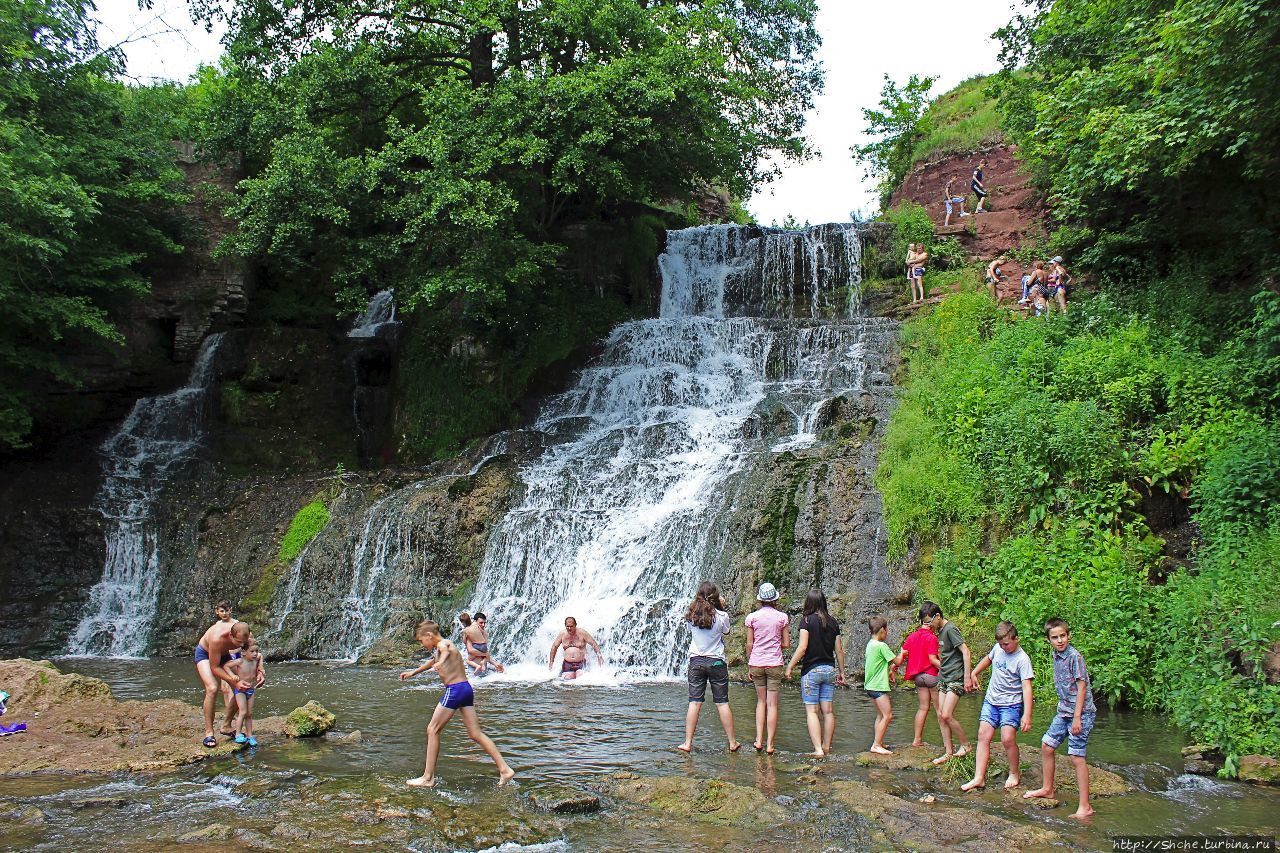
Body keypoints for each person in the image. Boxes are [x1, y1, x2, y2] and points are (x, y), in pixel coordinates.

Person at [400, 620, 516, 788]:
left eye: (420, 640)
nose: (421, 644)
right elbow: (432, 662)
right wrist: (413, 672)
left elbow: (444, 652)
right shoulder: (440, 648)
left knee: (432, 729)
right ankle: (505, 769)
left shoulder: (444, 644)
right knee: (475, 733)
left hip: (454, 690)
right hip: (466, 689)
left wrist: (441, 662)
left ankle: (428, 778)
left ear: (429, 635)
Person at [1025, 618, 1096, 818]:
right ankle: (1048, 788)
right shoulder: (1057, 655)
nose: (1060, 640)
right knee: (1047, 746)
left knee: (1076, 757)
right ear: (1048, 640)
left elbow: (1082, 688)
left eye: (1063, 636)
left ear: (1069, 635)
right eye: (1055, 637)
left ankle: (1085, 806)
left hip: (1080, 713)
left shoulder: (1075, 657)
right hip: (1063, 711)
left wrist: (1077, 718)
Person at [961, 621, 1034, 792]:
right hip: (992, 700)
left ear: (1016, 639)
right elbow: (988, 658)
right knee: (982, 735)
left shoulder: (1022, 659)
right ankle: (979, 777)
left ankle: (1014, 773)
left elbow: (1027, 687)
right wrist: (974, 672)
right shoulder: (998, 649)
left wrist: (1027, 715)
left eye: (1006, 644)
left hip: (1012, 704)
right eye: (1001, 644)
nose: (1003, 647)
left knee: (1007, 738)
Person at [676, 581, 740, 753]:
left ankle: (687, 743)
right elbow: (726, 632)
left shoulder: (690, 615)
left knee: (694, 703)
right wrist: (722, 607)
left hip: (696, 661)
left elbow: (697, 620)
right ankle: (732, 742)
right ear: (716, 597)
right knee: (722, 703)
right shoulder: (722, 616)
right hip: (716, 662)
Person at [784, 589, 846, 758]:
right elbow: (839, 650)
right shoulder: (833, 622)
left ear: (808, 603)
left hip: (811, 670)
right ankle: (826, 747)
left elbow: (803, 647)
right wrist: (841, 672)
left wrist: (790, 666)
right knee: (828, 711)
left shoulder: (806, 621)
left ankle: (818, 750)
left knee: (812, 711)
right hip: (829, 669)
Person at [194, 619, 263, 747]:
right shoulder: (217, 638)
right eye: (239, 642)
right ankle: (209, 733)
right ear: (230, 636)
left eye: (244, 642)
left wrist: (260, 671)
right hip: (205, 653)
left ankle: (226, 725)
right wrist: (234, 681)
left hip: (225, 655)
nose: (242, 645)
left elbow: (255, 656)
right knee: (212, 688)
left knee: (243, 688)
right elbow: (215, 667)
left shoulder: (246, 637)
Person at [924, 602, 974, 765]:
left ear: (937, 616)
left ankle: (965, 745)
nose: (928, 625)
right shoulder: (940, 631)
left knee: (946, 714)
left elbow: (965, 652)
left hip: (956, 677)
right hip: (944, 677)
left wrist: (967, 677)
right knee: (940, 715)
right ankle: (948, 751)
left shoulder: (950, 629)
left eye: (929, 621)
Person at [744, 582, 790, 754]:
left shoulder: (752, 618)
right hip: (774, 663)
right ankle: (770, 744)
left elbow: (750, 644)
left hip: (756, 663)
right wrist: (775, 643)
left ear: (760, 600)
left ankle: (758, 741)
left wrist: (750, 662)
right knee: (772, 705)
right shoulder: (782, 617)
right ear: (775, 599)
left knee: (760, 702)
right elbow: (786, 644)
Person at [896, 606, 942, 748]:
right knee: (940, 710)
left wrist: (893, 667)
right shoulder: (932, 638)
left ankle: (917, 740)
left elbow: (902, 654)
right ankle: (947, 743)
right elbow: (933, 659)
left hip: (918, 678)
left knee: (923, 708)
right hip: (931, 676)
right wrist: (949, 669)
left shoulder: (912, 636)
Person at [864, 616, 897, 755]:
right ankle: (876, 745)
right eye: (887, 629)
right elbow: (898, 660)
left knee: (880, 715)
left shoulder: (870, 644)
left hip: (870, 686)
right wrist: (904, 652)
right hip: (878, 687)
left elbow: (879, 663)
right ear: (883, 630)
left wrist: (889, 670)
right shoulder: (882, 646)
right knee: (888, 715)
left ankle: (879, 741)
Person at [213, 600, 239, 736]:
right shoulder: (217, 625)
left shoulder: (236, 624)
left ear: (231, 610)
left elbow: (240, 643)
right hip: (223, 657)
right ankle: (230, 714)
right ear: (217, 611)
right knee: (224, 688)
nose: (224, 613)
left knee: (235, 686)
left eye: (226, 610)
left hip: (234, 657)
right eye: (221, 611)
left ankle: (234, 714)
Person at [232, 639, 263, 747]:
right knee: (243, 712)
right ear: (244, 652)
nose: (255, 654)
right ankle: (238, 734)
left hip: (250, 689)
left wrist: (260, 668)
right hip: (240, 690)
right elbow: (226, 666)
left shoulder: (255, 659)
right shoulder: (240, 661)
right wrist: (233, 676)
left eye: (256, 651)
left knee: (249, 714)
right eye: (252, 651)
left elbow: (260, 656)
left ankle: (250, 735)